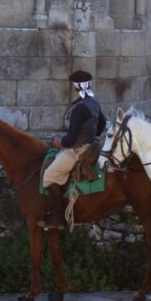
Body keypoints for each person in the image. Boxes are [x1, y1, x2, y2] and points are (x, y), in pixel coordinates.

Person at [41, 70, 107, 229]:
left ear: (76, 86)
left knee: (49, 176)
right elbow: (102, 124)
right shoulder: (93, 103)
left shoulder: (79, 108)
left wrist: (59, 142)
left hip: (77, 151)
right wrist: (92, 137)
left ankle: (56, 218)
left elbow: (70, 139)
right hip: (90, 147)